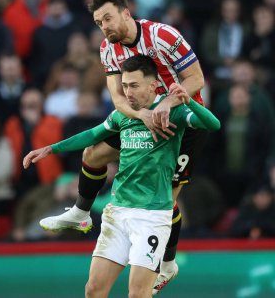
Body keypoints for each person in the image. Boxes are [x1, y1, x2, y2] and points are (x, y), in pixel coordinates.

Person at [38, 0, 206, 294]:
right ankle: (81, 211)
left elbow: (196, 78)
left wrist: (167, 103)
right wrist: (142, 116)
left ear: (126, 13)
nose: (104, 26)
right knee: (92, 153)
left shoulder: (162, 35)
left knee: (166, 198)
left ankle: (167, 264)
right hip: (139, 118)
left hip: (180, 122)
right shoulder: (107, 49)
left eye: (108, 18)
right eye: (98, 22)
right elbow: (117, 98)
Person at [23, 55, 220, 298]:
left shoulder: (172, 113)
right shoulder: (124, 115)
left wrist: (188, 100)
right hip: (118, 213)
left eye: (134, 86)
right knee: (93, 290)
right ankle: (80, 212)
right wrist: (51, 148)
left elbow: (213, 125)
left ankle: (168, 264)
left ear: (152, 85)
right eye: (125, 86)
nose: (128, 93)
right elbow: (92, 135)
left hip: (151, 216)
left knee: (138, 294)